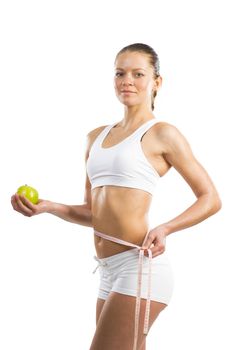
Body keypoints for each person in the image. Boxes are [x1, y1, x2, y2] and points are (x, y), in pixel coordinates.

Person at [11, 43, 222, 350]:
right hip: (108, 271)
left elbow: (210, 198)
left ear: (156, 82)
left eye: (139, 74)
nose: (128, 81)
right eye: (120, 73)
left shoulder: (163, 134)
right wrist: (49, 207)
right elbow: (93, 212)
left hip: (140, 268)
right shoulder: (95, 137)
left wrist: (165, 228)